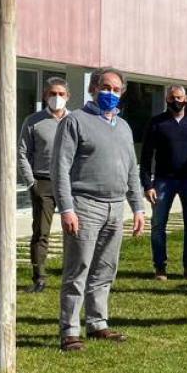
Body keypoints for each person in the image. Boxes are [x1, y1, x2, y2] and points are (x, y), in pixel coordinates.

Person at [52, 68, 146, 352]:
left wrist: (138, 208)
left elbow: (131, 171)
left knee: (106, 269)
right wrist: (67, 208)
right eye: (106, 87)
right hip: (85, 205)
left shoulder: (124, 127)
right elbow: (60, 169)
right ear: (94, 88)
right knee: (78, 268)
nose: (111, 93)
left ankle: (97, 323)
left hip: (115, 207)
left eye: (116, 89)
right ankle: (70, 330)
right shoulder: (75, 122)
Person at [139, 85, 187, 281]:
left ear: (186, 99)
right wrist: (147, 184)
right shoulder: (157, 122)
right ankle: (160, 267)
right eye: (172, 98)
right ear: (166, 100)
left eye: (179, 97)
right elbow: (146, 155)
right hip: (163, 180)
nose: (176, 101)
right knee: (158, 225)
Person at [17, 77, 71, 293]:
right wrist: (31, 183)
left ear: (68, 97)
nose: (56, 98)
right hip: (43, 182)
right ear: (45, 96)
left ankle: (73, 275)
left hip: (70, 183)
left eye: (60, 94)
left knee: (75, 232)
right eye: (52, 93)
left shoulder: (76, 120)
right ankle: (39, 277)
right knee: (41, 232)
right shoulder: (33, 121)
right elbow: (22, 153)